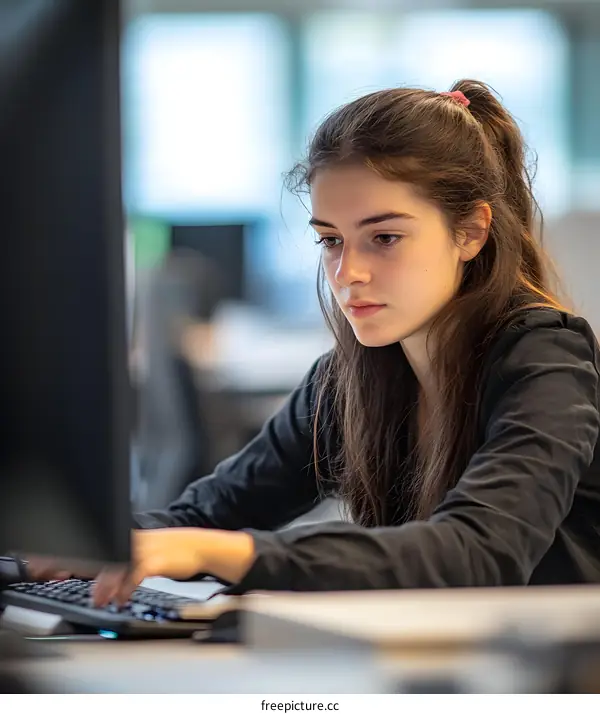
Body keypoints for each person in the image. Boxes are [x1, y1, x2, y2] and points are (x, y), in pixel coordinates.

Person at [30, 79, 600, 606]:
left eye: (384, 237)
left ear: (471, 231)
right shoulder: (350, 377)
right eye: (331, 240)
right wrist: (72, 547)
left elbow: (478, 553)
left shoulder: (546, 359)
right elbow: (208, 513)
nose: (347, 271)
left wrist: (222, 554)